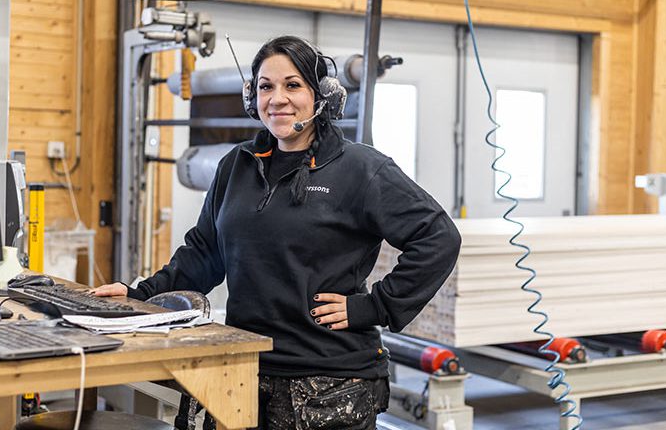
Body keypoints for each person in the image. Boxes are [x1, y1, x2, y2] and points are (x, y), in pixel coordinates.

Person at [95, 35, 462, 429]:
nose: (278, 98)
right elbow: (204, 253)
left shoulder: (361, 168)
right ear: (252, 97)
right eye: (266, 86)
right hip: (244, 367)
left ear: (320, 94)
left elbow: (438, 237)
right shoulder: (238, 164)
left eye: (293, 85)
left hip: (326, 382)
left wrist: (374, 307)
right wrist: (140, 296)